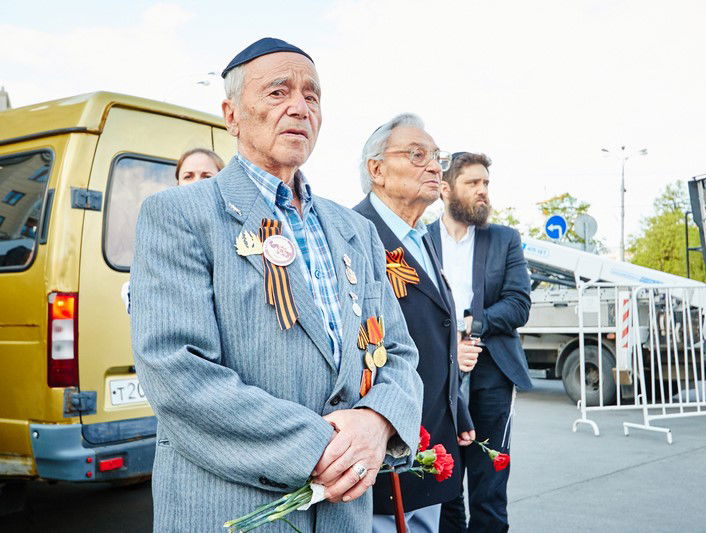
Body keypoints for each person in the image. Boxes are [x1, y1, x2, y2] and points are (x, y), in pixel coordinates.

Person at [130, 38, 423, 532]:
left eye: (312, 95)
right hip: (233, 512)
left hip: (342, 514)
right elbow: (175, 368)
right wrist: (319, 446)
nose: (299, 107)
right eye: (277, 92)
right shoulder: (180, 215)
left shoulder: (356, 231)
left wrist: (377, 422)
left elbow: (398, 352)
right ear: (232, 114)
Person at [353, 114, 475, 533]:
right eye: (417, 154)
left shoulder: (422, 237)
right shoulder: (351, 234)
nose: (434, 167)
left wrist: (458, 412)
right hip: (387, 448)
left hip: (435, 443)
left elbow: (436, 333)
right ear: (377, 170)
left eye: (436, 157)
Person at [429, 152, 533, 533]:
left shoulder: (504, 239)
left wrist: (472, 323)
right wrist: (450, 337)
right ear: (445, 189)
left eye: (486, 183)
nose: (482, 191)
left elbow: (519, 304)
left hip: (492, 369)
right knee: (444, 483)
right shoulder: (421, 241)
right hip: (441, 372)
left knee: (489, 485)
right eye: (472, 183)